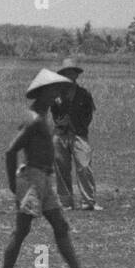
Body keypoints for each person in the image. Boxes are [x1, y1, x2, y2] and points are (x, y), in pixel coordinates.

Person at [0, 69, 106, 268]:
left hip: (44, 178)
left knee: (60, 226)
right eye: (56, 89)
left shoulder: (42, 116)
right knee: (21, 230)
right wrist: (13, 185)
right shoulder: (34, 119)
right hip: (32, 179)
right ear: (45, 92)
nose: (59, 93)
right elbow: (10, 151)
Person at [51, 59, 99, 211]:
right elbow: (54, 113)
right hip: (60, 135)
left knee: (84, 166)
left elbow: (88, 115)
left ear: (76, 75)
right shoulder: (56, 96)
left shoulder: (84, 94)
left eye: (71, 72)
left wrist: (79, 126)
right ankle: (66, 203)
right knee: (61, 168)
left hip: (79, 134)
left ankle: (89, 202)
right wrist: (61, 120)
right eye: (65, 73)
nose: (68, 75)